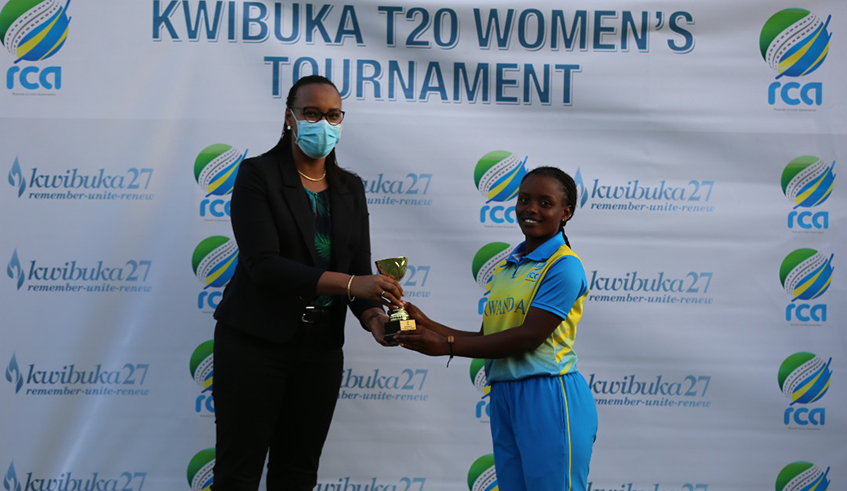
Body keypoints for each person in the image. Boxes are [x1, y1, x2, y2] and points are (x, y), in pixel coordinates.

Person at [211, 75, 404, 491]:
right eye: (311, 113)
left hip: (319, 351)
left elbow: (356, 267)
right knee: (237, 473)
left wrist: (374, 318)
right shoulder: (256, 175)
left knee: (298, 474)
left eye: (333, 115)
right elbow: (264, 265)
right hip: (254, 344)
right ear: (289, 118)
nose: (323, 123)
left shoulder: (350, 188)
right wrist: (356, 284)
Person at [397, 166, 598, 491]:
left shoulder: (564, 265)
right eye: (524, 199)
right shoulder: (509, 267)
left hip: (548, 395)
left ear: (566, 212)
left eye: (545, 202)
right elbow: (488, 339)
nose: (531, 209)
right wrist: (427, 324)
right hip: (505, 394)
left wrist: (445, 345)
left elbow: (528, 337)